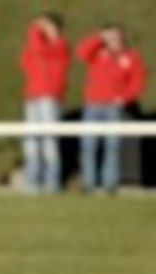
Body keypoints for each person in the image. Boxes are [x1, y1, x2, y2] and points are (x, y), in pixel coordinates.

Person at [77, 24, 147, 194]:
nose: (113, 40)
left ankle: (110, 184)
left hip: (113, 107)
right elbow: (81, 52)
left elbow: (138, 81)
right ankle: (88, 184)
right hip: (92, 105)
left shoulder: (131, 57)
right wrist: (99, 37)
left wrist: (124, 98)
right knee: (88, 145)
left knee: (112, 146)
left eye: (116, 36)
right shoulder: (97, 53)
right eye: (110, 36)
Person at [20, 12, 70, 194]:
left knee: (49, 140)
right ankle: (32, 182)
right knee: (31, 140)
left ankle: (52, 182)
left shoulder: (61, 45)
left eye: (47, 25)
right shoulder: (38, 46)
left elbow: (38, 49)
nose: (42, 29)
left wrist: (34, 28)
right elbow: (26, 61)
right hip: (32, 96)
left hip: (50, 97)